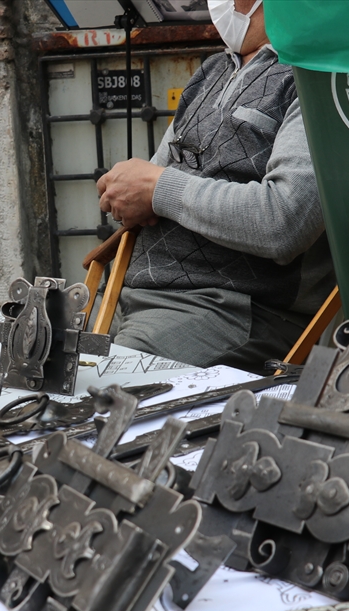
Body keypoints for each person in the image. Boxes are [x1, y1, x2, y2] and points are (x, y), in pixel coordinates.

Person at [96, 0, 335, 372]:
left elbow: (283, 222)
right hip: (137, 298)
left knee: (99, 395)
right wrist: (129, 189)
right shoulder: (213, 70)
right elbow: (149, 186)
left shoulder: (316, 72)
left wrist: (159, 189)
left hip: (236, 309)